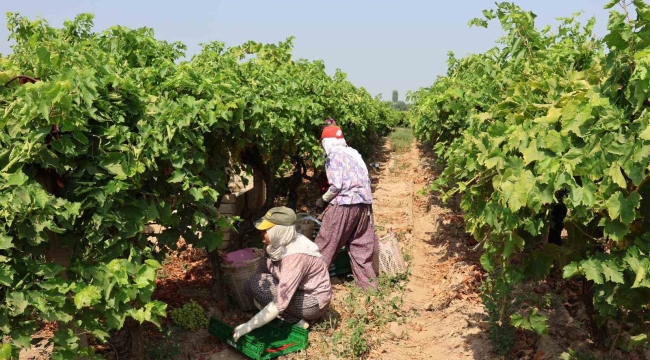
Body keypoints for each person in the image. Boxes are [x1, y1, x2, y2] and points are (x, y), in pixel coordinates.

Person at [233, 207, 332, 342]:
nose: (261, 234)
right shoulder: (275, 244)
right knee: (255, 284)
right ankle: (292, 318)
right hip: (297, 290)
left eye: (265, 231)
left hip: (313, 302)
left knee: (258, 286)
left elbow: (280, 301)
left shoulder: (295, 255)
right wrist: (249, 288)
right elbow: (262, 269)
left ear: (278, 230)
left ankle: (296, 321)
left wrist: (247, 327)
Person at [314, 125, 379, 291]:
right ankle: (369, 289)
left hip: (345, 204)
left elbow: (336, 186)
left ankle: (311, 288)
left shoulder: (333, 155)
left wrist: (322, 200)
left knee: (325, 245)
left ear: (326, 141)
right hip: (364, 206)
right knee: (361, 247)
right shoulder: (354, 153)